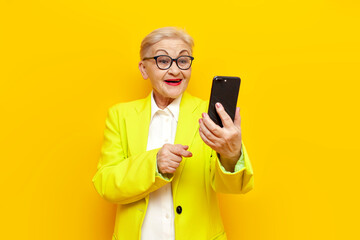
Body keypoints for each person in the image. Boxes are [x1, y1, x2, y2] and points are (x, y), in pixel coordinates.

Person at [92, 27, 254, 240]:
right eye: (163, 60)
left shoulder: (211, 115)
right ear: (143, 69)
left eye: (183, 61)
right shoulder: (120, 115)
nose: (176, 70)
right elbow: (106, 184)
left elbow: (234, 188)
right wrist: (155, 164)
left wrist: (231, 155)